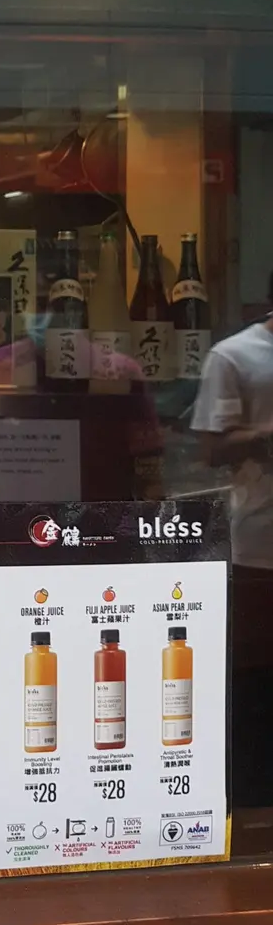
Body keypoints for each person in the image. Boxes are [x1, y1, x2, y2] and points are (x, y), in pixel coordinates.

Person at [191, 274, 273, 806]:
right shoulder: (235, 355)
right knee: (256, 687)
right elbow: (210, 449)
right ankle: (251, 812)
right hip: (259, 549)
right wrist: (265, 436)